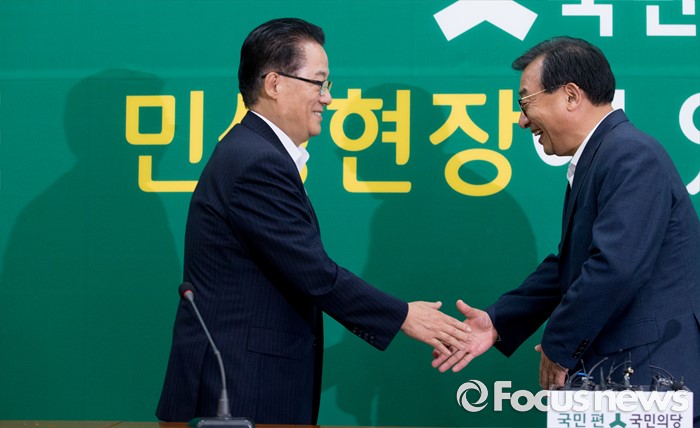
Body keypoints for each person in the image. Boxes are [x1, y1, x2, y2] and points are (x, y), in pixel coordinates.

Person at [156, 17, 470, 425]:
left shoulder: (251, 151)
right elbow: (313, 273)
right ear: (274, 83)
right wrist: (404, 316)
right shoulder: (257, 161)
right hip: (240, 384)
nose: (328, 98)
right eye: (318, 83)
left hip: (249, 379)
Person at [434, 36, 700, 424]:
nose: (522, 120)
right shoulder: (605, 155)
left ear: (571, 96)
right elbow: (572, 265)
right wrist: (498, 322)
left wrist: (559, 345)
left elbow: (614, 267)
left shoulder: (630, 155)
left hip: (647, 376)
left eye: (525, 102)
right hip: (624, 376)